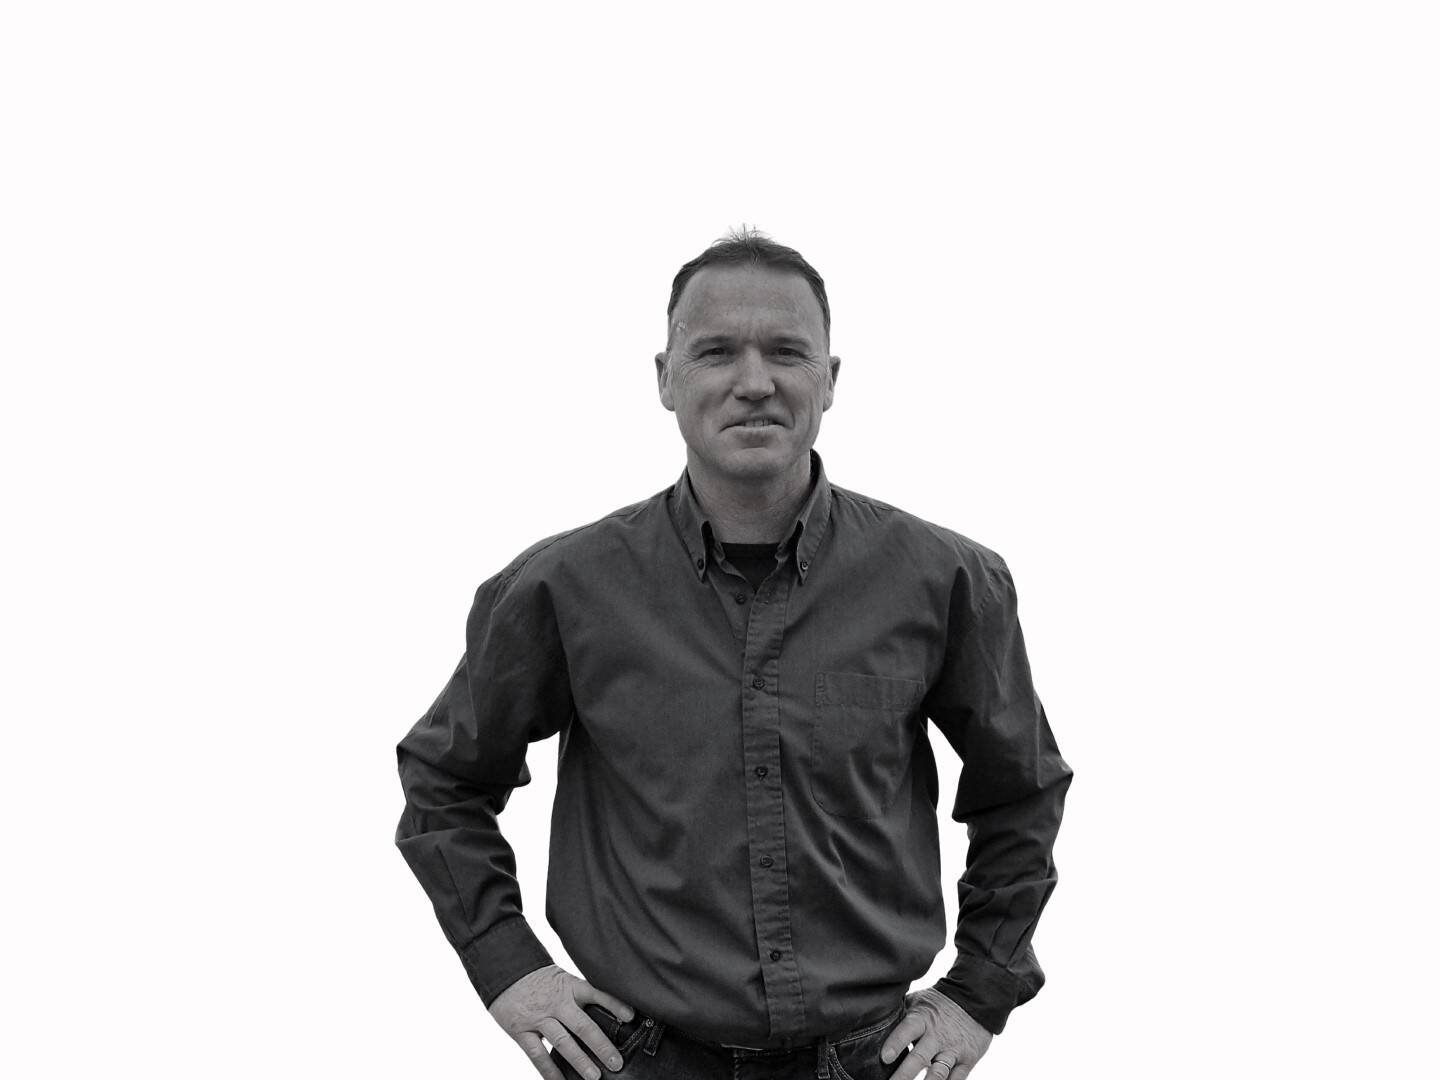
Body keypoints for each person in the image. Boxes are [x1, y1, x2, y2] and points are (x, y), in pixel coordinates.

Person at [394, 228, 1072, 1080]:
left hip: (874, 1062)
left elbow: (1022, 792)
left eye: (786, 351)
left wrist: (979, 992)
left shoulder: (948, 581)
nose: (755, 382)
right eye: (716, 351)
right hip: (634, 1061)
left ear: (830, 379)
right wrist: (509, 969)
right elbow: (445, 779)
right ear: (665, 378)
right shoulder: (563, 588)